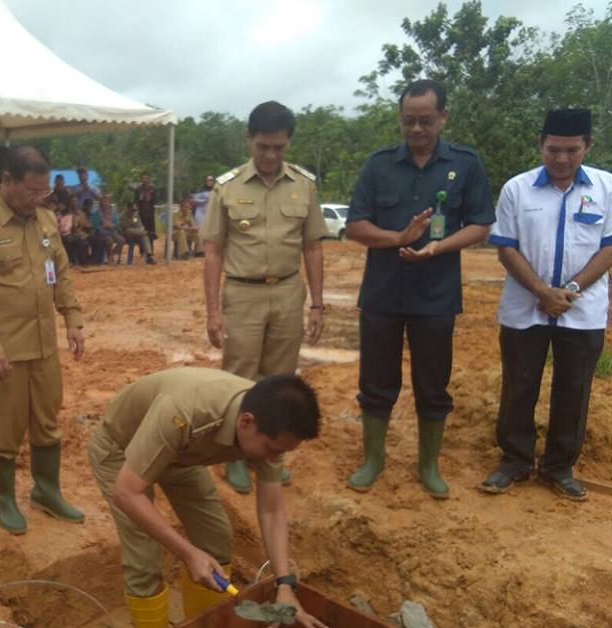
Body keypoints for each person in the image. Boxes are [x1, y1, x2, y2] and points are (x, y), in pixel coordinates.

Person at [88, 368, 328, 628]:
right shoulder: (185, 412)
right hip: (122, 450)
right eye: (271, 450)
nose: (273, 459)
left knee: (216, 536)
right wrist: (187, 553)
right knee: (144, 553)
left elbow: (273, 510)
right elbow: (128, 493)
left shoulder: (272, 420)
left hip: (181, 454)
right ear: (246, 422)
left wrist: (285, 584)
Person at [345, 80, 494, 499]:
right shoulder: (379, 165)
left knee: (433, 382)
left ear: (443, 116)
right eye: (408, 120)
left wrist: (437, 248)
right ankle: (373, 459)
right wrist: (399, 237)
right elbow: (355, 225)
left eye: (425, 121)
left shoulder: (465, 164)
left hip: (436, 295)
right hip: (383, 293)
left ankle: (428, 464)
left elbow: (481, 225)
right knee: (376, 380)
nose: (416, 129)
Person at [0, 145, 85, 534]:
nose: (39, 199)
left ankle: (47, 491)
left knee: (47, 422)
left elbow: (60, 273)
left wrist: (73, 319)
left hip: (43, 346)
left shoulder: (44, 221)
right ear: (6, 181)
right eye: (31, 191)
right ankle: (6, 499)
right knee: (3, 427)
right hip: (3, 350)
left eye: (43, 192)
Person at [481, 108, 612, 500]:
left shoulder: (607, 188)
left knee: (574, 388)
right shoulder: (517, 190)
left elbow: (608, 248)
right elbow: (506, 249)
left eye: (572, 150)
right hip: (525, 309)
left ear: (588, 145)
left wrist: (569, 289)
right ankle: (515, 461)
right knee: (519, 385)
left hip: (582, 310)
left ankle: (559, 466)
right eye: (553, 149)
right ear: (541, 144)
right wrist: (541, 291)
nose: (561, 158)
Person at [202, 101, 327, 493]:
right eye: (263, 147)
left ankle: (272, 455)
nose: (271, 155)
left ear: (288, 142)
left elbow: (313, 248)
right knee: (238, 379)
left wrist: (318, 304)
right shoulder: (227, 188)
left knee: (281, 379)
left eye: (278, 147)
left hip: (289, 292)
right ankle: (236, 456)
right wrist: (212, 311)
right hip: (243, 293)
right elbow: (213, 251)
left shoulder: (303, 185)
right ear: (249, 140)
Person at [134, 171, 158, 242]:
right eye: (142, 178)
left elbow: (156, 200)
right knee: (143, 232)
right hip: (142, 213)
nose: (144, 180)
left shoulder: (153, 188)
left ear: (148, 179)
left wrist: (150, 198)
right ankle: (142, 251)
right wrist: (140, 198)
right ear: (140, 179)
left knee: (151, 233)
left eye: (145, 178)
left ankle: (151, 251)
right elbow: (135, 202)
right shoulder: (138, 189)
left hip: (150, 213)